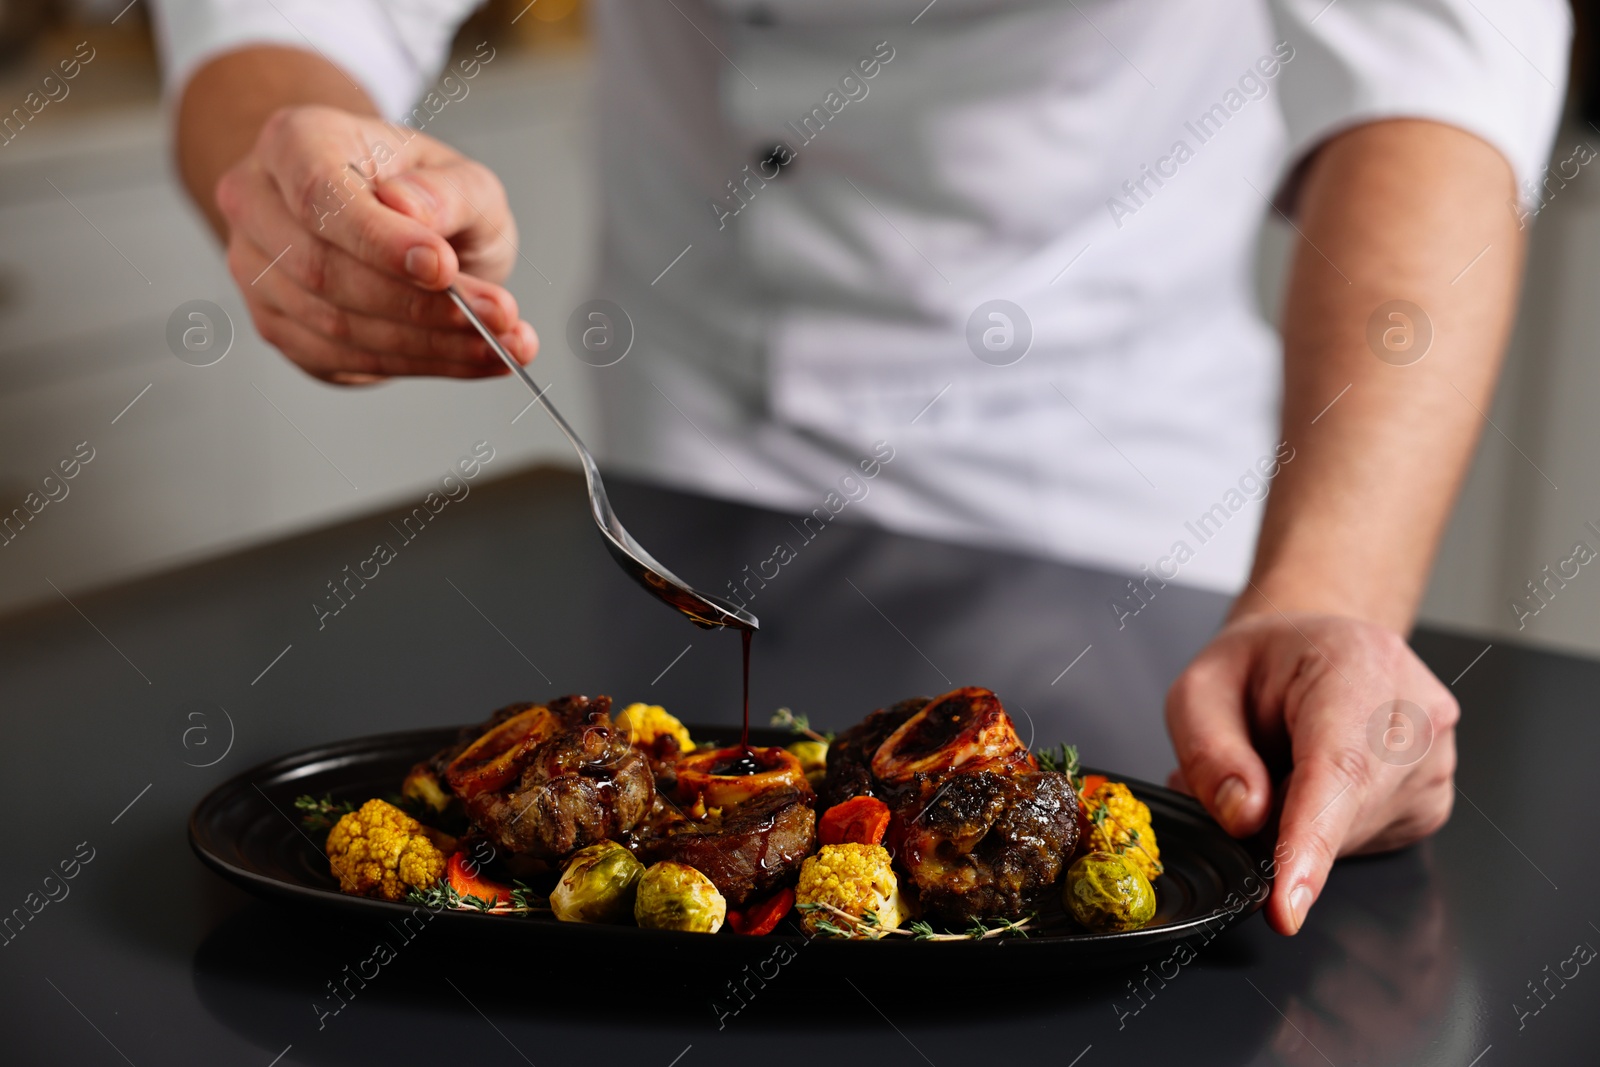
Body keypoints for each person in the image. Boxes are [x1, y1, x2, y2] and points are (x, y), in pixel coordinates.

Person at [150, 0, 1570, 936]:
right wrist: (299, 169)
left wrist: (1334, 591)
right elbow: (285, 25)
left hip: (1099, 523)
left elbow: (1433, 90)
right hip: (676, 473)